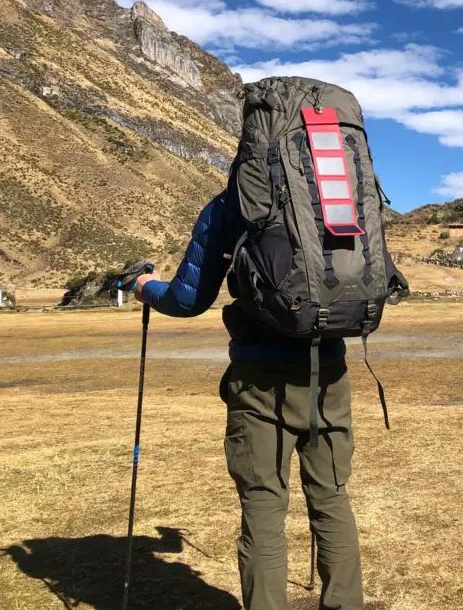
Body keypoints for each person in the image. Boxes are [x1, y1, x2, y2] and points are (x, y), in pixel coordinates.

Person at [134, 172, 364, 610]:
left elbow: (187, 299)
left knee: (262, 505)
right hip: (329, 372)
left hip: (259, 379)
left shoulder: (231, 204)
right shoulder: (340, 194)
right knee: (331, 495)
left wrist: (145, 288)